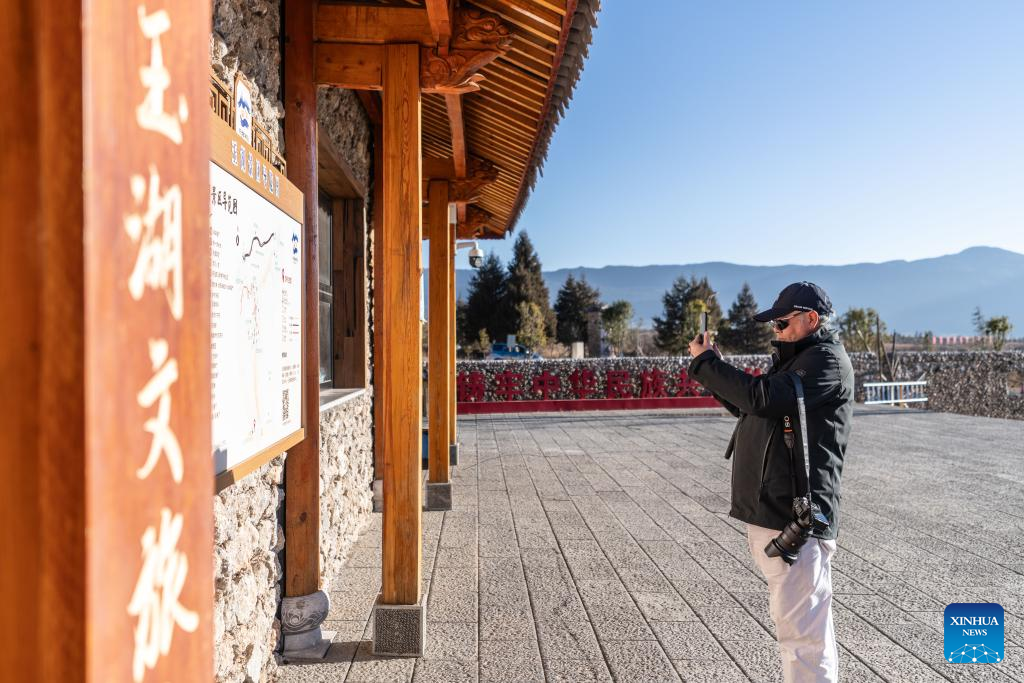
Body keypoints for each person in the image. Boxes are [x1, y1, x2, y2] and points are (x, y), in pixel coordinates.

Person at [687, 281, 853, 683]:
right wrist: (714, 369)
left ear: (811, 319)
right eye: (773, 325)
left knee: (802, 637)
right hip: (777, 511)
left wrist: (707, 364)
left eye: (782, 323)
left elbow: (762, 398)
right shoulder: (798, 361)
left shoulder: (826, 362)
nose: (775, 331)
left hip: (797, 517)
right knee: (802, 629)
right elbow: (755, 407)